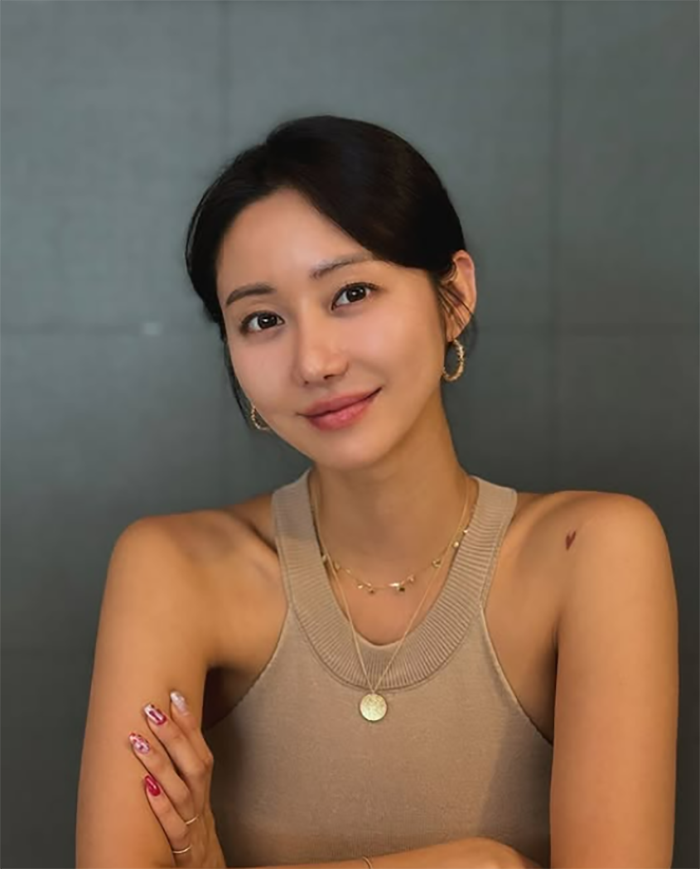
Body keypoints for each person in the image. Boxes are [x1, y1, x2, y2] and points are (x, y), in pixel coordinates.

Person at [76, 115, 679, 869]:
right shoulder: (174, 568)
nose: (315, 361)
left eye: (351, 292)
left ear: (454, 295)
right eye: (262, 319)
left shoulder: (592, 551)